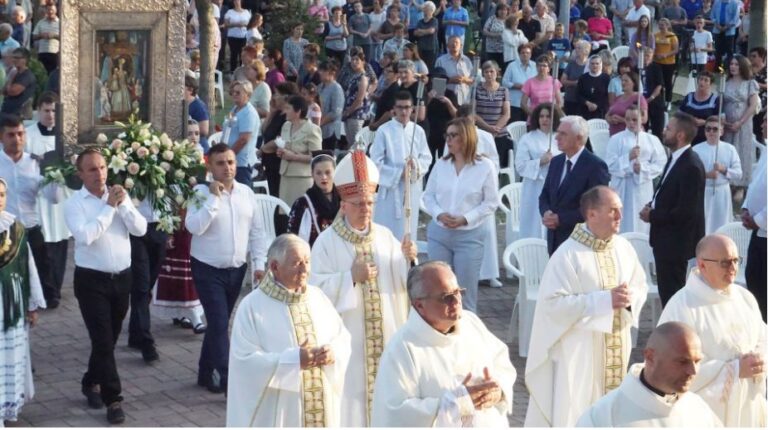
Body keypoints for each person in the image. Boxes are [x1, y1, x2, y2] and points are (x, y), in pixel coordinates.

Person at [309, 149, 417, 426]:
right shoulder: (326, 243)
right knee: (351, 405)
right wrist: (350, 278)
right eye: (358, 204)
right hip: (350, 342)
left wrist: (409, 259)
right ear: (343, 205)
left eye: (370, 202)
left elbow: (403, 286)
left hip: (386, 338)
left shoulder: (386, 238)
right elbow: (314, 292)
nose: (366, 209)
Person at [525, 186, 648, 427]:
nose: (620, 217)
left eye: (620, 210)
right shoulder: (567, 255)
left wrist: (627, 300)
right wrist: (604, 301)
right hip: (579, 350)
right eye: (613, 211)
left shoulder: (624, 248)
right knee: (577, 409)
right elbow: (552, 305)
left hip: (616, 343)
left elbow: (639, 285)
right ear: (591, 214)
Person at [226, 234, 351, 427]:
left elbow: (342, 337)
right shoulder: (251, 307)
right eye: (296, 263)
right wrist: (294, 360)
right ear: (274, 267)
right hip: (281, 413)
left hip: (321, 408)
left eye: (307, 262)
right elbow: (244, 363)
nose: (304, 270)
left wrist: (332, 352)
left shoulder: (317, 297)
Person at [371, 261, 516, 426]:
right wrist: (454, 404)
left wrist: (499, 391)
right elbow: (395, 412)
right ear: (419, 305)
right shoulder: (402, 349)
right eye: (445, 297)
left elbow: (502, 363)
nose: (455, 301)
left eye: (457, 292)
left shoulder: (472, 323)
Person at [64, 149, 148, 424]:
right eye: (92, 169)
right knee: (102, 338)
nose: (99, 174)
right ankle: (114, 399)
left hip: (122, 278)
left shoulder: (118, 197)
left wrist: (122, 205)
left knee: (108, 339)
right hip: (91, 281)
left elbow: (141, 230)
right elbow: (86, 236)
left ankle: (90, 380)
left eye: (102, 168)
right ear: (80, 174)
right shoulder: (75, 204)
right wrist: (108, 208)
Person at [657, 234, 766, 426]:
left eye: (735, 261)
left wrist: (758, 360)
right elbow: (671, 366)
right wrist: (736, 370)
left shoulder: (745, 298)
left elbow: (763, 338)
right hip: (706, 413)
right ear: (702, 265)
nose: (733, 269)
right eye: (724, 263)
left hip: (747, 405)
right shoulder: (682, 306)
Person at [185, 143, 268, 395]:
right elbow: (193, 227)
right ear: (209, 166)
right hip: (207, 268)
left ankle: (204, 370)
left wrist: (260, 264)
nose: (227, 168)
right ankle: (228, 377)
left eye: (230, 162)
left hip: (236, 269)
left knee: (219, 324)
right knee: (220, 323)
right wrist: (213, 198)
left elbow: (257, 231)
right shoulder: (200, 192)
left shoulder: (246, 192)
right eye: (220, 163)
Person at [576, 322, 722, 427]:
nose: (693, 371)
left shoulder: (697, 408)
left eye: (697, 361)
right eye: (682, 362)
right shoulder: (602, 417)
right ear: (650, 357)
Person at [423, 117, 498, 312]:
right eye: (447, 135)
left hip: (469, 236)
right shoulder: (441, 164)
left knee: (465, 292)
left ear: (466, 137)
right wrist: (439, 214)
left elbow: (491, 202)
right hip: (439, 234)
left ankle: (466, 336)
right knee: (438, 288)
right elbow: (428, 196)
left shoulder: (484, 166)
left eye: (453, 135)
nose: (448, 140)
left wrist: (466, 218)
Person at [639, 111, 706, 307]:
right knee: (667, 292)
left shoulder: (691, 165)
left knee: (673, 296)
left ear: (680, 135)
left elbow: (686, 211)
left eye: (668, 128)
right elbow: (667, 191)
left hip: (676, 243)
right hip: (665, 241)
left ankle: (676, 333)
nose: (664, 131)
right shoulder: (675, 158)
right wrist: (653, 204)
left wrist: (653, 215)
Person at [0, 177, 45, 425]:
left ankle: (6, 406)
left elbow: (28, 267)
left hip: (11, 304)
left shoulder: (15, 229)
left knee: (10, 355)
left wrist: (31, 305)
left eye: (2, 195)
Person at [22, 93, 69, 309]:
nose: (50, 115)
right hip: (38, 200)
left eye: (54, 111)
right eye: (46, 110)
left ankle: (55, 289)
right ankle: (45, 290)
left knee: (59, 246)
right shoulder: (28, 136)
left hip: (60, 200)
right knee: (42, 248)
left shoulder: (67, 135)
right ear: (38, 111)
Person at [539, 116, 610, 255]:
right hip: (554, 239)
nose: (557, 138)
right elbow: (545, 194)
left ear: (579, 138)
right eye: (558, 132)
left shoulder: (595, 166)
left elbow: (597, 207)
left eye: (563, 134)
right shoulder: (556, 162)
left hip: (580, 242)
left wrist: (561, 219)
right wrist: (546, 212)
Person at [371, 91, 431, 241]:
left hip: (411, 187)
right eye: (400, 107)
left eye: (407, 107)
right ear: (394, 109)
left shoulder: (418, 131)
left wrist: (415, 167)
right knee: (387, 232)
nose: (404, 111)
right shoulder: (384, 130)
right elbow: (375, 161)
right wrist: (398, 173)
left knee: (408, 230)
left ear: (412, 109)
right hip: (391, 189)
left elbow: (426, 158)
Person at [606, 106, 666, 234]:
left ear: (642, 119)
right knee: (622, 220)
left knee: (641, 224)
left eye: (634, 119)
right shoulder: (616, 139)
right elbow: (610, 165)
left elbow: (660, 163)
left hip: (642, 187)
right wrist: (627, 158)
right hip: (623, 187)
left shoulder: (652, 140)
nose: (631, 123)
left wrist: (642, 169)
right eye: (628, 119)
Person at [516, 103, 562, 239]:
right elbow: (520, 166)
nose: (545, 119)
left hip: (556, 185)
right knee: (533, 223)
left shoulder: (559, 137)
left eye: (548, 116)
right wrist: (540, 161)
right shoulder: (528, 138)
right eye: (542, 116)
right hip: (534, 187)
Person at [692, 117, 742, 233]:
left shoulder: (730, 149)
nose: (711, 132)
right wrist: (706, 175)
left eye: (715, 129)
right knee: (703, 225)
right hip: (703, 191)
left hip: (721, 192)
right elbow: (689, 175)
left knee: (722, 225)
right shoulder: (696, 149)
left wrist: (723, 169)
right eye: (708, 129)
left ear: (721, 131)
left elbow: (739, 174)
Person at [277, 95, 322, 210]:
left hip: (301, 178)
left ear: (298, 111)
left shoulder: (312, 129)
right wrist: (281, 152)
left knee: (300, 212)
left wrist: (294, 157)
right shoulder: (285, 126)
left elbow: (317, 158)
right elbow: (286, 144)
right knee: (285, 211)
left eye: (288, 108)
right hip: (286, 175)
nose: (285, 111)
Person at [742, 121, 766, 322]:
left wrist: (758, 220)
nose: (763, 124)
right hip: (757, 232)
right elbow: (754, 185)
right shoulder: (766, 152)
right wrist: (745, 208)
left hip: (763, 229)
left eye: (767, 121)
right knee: (754, 282)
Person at [287, 154, 340, 247]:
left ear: (335, 172)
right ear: (312, 174)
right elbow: (293, 238)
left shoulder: (344, 198)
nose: (324, 177)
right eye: (318, 173)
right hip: (313, 253)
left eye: (328, 172)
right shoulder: (303, 204)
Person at [722, 54, 759, 189]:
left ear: (742, 66)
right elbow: (721, 104)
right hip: (728, 124)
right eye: (731, 64)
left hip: (743, 124)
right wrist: (723, 120)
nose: (733, 67)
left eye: (736, 64)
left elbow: (753, 105)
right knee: (728, 150)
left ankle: (740, 185)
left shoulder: (749, 83)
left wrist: (741, 122)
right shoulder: (725, 83)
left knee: (742, 150)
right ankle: (727, 180)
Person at [474, 61, 511, 167]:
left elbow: (507, 114)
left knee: (497, 165)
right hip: (482, 133)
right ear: (483, 74)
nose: (489, 74)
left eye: (491, 71)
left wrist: (495, 130)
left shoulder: (504, 90)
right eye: (486, 72)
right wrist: (488, 129)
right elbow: (473, 113)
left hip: (499, 134)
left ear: (497, 73)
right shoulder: (476, 90)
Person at [224, 80, 259, 185]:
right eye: (233, 92)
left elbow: (243, 139)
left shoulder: (248, 113)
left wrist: (228, 156)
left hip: (241, 163)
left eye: (238, 92)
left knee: (243, 194)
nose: (234, 94)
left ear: (247, 95)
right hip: (233, 160)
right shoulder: (236, 108)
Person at [679, 71, 720, 144]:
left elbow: (720, 120)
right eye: (701, 79)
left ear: (711, 84)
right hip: (688, 134)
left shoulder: (715, 100)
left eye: (706, 80)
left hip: (705, 137)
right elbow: (679, 114)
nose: (702, 82)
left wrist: (705, 122)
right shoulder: (689, 97)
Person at [341, 49, 370, 149]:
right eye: (352, 60)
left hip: (356, 115)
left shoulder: (363, 78)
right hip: (349, 114)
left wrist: (348, 112)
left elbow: (359, 99)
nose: (354, 62)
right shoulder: (354, 76)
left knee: (356, 144)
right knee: (350, 143)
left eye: (357, 60)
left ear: (363, 62)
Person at [502, 43, 536, 122]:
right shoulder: (512, 65)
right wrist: (515, 85)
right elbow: (504, 82)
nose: (525, 55)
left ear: (531, 54)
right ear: (519, 54)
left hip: (530, 103)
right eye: (523, 53)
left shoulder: (535, 66)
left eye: (527, 53)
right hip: (515, 103)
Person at [434, 35, 473, 105]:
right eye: (452, 42)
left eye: (456, 42)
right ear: (447, 46)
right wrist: (450, 80)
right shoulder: (440, 60)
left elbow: (473, 80)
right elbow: (436, 81)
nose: (454, 44)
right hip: (446, 99)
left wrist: (464, 80)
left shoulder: (467, 61)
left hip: (464, 99)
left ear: (461, 46)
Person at [317, 60, 344, 152]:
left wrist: (320, 123)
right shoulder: (320, 86)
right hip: (319, 130)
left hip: (330, 131)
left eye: (323, 71)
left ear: (331, 72)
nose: (320, 73)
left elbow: (336, 112)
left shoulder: (336, 88)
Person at [0, 47, 34, 117]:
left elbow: (13, 91)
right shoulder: (16, 73)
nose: (14, 60)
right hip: (8, 113)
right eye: (13, 57)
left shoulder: (27, 76)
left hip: (19, 115)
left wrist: (10, 78)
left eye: (17, 58)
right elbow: (3, 91)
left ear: (25, 60)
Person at [576, 54, 610, 120]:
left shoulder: (606, 78)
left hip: (601, 112)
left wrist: (597, 105)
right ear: (589, 65)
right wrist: (588, 103)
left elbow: (607, 96)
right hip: (584, 110)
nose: (595, 65)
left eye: (597, 64)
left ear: (601, 65)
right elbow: (578, 94)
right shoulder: (583, 78)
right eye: (592, 63)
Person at [653, 18, 679, 104]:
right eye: (660, 25)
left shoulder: (672, 36)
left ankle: (668, 101)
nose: (661, 26)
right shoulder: (655, 35)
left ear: (667, 25)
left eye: (663, 25)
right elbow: (652, 47)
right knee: (658, 82)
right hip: (657, 62)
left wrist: (666, 55)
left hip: (669, 62)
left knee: (668, 82)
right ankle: (659, 100)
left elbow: (676, 50)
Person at [561, 40, 590, 116]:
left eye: (579, 48)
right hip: (570, 99)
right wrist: (575, 83)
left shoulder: (590, 65)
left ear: (586, 51)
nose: (576, 50)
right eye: (576, 48)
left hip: (585, 100)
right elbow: (563, 80)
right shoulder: (571, 64)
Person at [184, 76, 210, 153]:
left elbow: (204, 130)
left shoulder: (198, 106)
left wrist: (189, 129)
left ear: (190, 90)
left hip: (199, 149)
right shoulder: (184, 104)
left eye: (182, 87)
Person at [224, 0, 251, 74]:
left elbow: (250, 24)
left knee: (242, 54)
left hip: (243, 36)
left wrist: (245, 25)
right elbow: (226, 25)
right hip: (232, 36)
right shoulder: (230, 12)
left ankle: (243, 72)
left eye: (238, 0)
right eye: (235, 1)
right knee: (234, 54)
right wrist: (236, 24)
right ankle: (233, 72)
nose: (236, 2)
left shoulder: (246, 12)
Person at [711, 0, 739, 68]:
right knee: (718, 50)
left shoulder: (734, 3)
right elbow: (712, 15)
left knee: (729, 50)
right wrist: (718, 25)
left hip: (729, 30)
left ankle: (730, 68)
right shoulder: (716, 2)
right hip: (717, 29)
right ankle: (718, 68)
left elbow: (735, 18)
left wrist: (726, 27)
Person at [31, 2, 57, 75]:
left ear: (56, 10)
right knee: (42, 73)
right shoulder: (41, 22)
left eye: (52, 10)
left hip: (55, 53)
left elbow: (65, 37)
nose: (50, 12)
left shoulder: (60, 23)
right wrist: (41, 35)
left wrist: (54, 36)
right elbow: (34, 36)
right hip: (43, 52)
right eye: (48, 10)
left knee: (53, 73)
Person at [414, 1, 438, 70]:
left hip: (431, 48)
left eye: (426, 8)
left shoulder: (434, 21)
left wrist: (420, 31)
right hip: (421, 48)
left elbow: (431, 31)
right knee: (421, 67)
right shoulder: (420, 21)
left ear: (431, 10)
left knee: (430, 68)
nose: (424, 10)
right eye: (424, 8)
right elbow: (415, 33)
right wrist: (426, 31)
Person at [483, 3, 508, 69]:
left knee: (502, 68)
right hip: (491, 49)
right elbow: (484, 31)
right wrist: (495, 35)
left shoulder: (508, 20)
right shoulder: (492, 19)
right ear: (497, 11)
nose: (503, 12)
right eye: (501, 10)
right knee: (491, 67)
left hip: (503, 49)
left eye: (505, 10)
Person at [749, 47, 766, 144]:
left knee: (760, 133)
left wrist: (755, 84)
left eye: (754, 56)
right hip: (750, 106)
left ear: (761, 57)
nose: (751, 58)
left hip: (763, 107)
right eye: (751, 56)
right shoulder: (748, 70)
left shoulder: (766, 70)